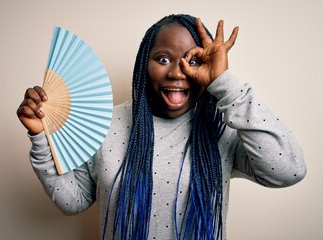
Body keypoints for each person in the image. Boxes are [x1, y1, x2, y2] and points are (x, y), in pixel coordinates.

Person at [17, 14, 306, 240]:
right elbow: (74, 201)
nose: (177, 72)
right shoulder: (105, 124)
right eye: (163, 59)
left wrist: (225, 84)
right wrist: (39, 137)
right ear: (145, 64)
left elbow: (288, 170)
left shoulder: (222, 126)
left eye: (192, 60)